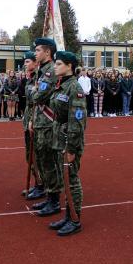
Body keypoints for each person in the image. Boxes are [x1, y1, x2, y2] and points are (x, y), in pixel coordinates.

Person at [48, 51, 86, 236]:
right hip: (59, 138)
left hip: (69, 141)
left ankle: (75, 219)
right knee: (64, 179)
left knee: (71, 180)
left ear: (69, 66)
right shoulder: (61, 85)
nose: (55, 66)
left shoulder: (74, 88)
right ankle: (68, 215)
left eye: (59, 64)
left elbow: (77, 122)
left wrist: (71, 147)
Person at [29, 37, 62, 217]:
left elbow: (38, 97)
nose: (35, 54)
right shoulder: (42, 70)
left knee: (49, 162)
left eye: (38, 51)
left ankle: (54, 200)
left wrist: (34, 92)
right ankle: (49, 196)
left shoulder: (50, 71)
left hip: (49, 124)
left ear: (47, 52)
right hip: (41, 122)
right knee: (42, 161)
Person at [22, 51, 44, 199]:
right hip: (28, 119)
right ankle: (38, 183)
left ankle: (41, 186)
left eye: (28, 61)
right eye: (25, 62)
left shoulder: (39, 78)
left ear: (36, 63)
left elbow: (37, 100)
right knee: (29, 156)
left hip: (36, 120)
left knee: (37, 156)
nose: (25, 64)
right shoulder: (29, 79)